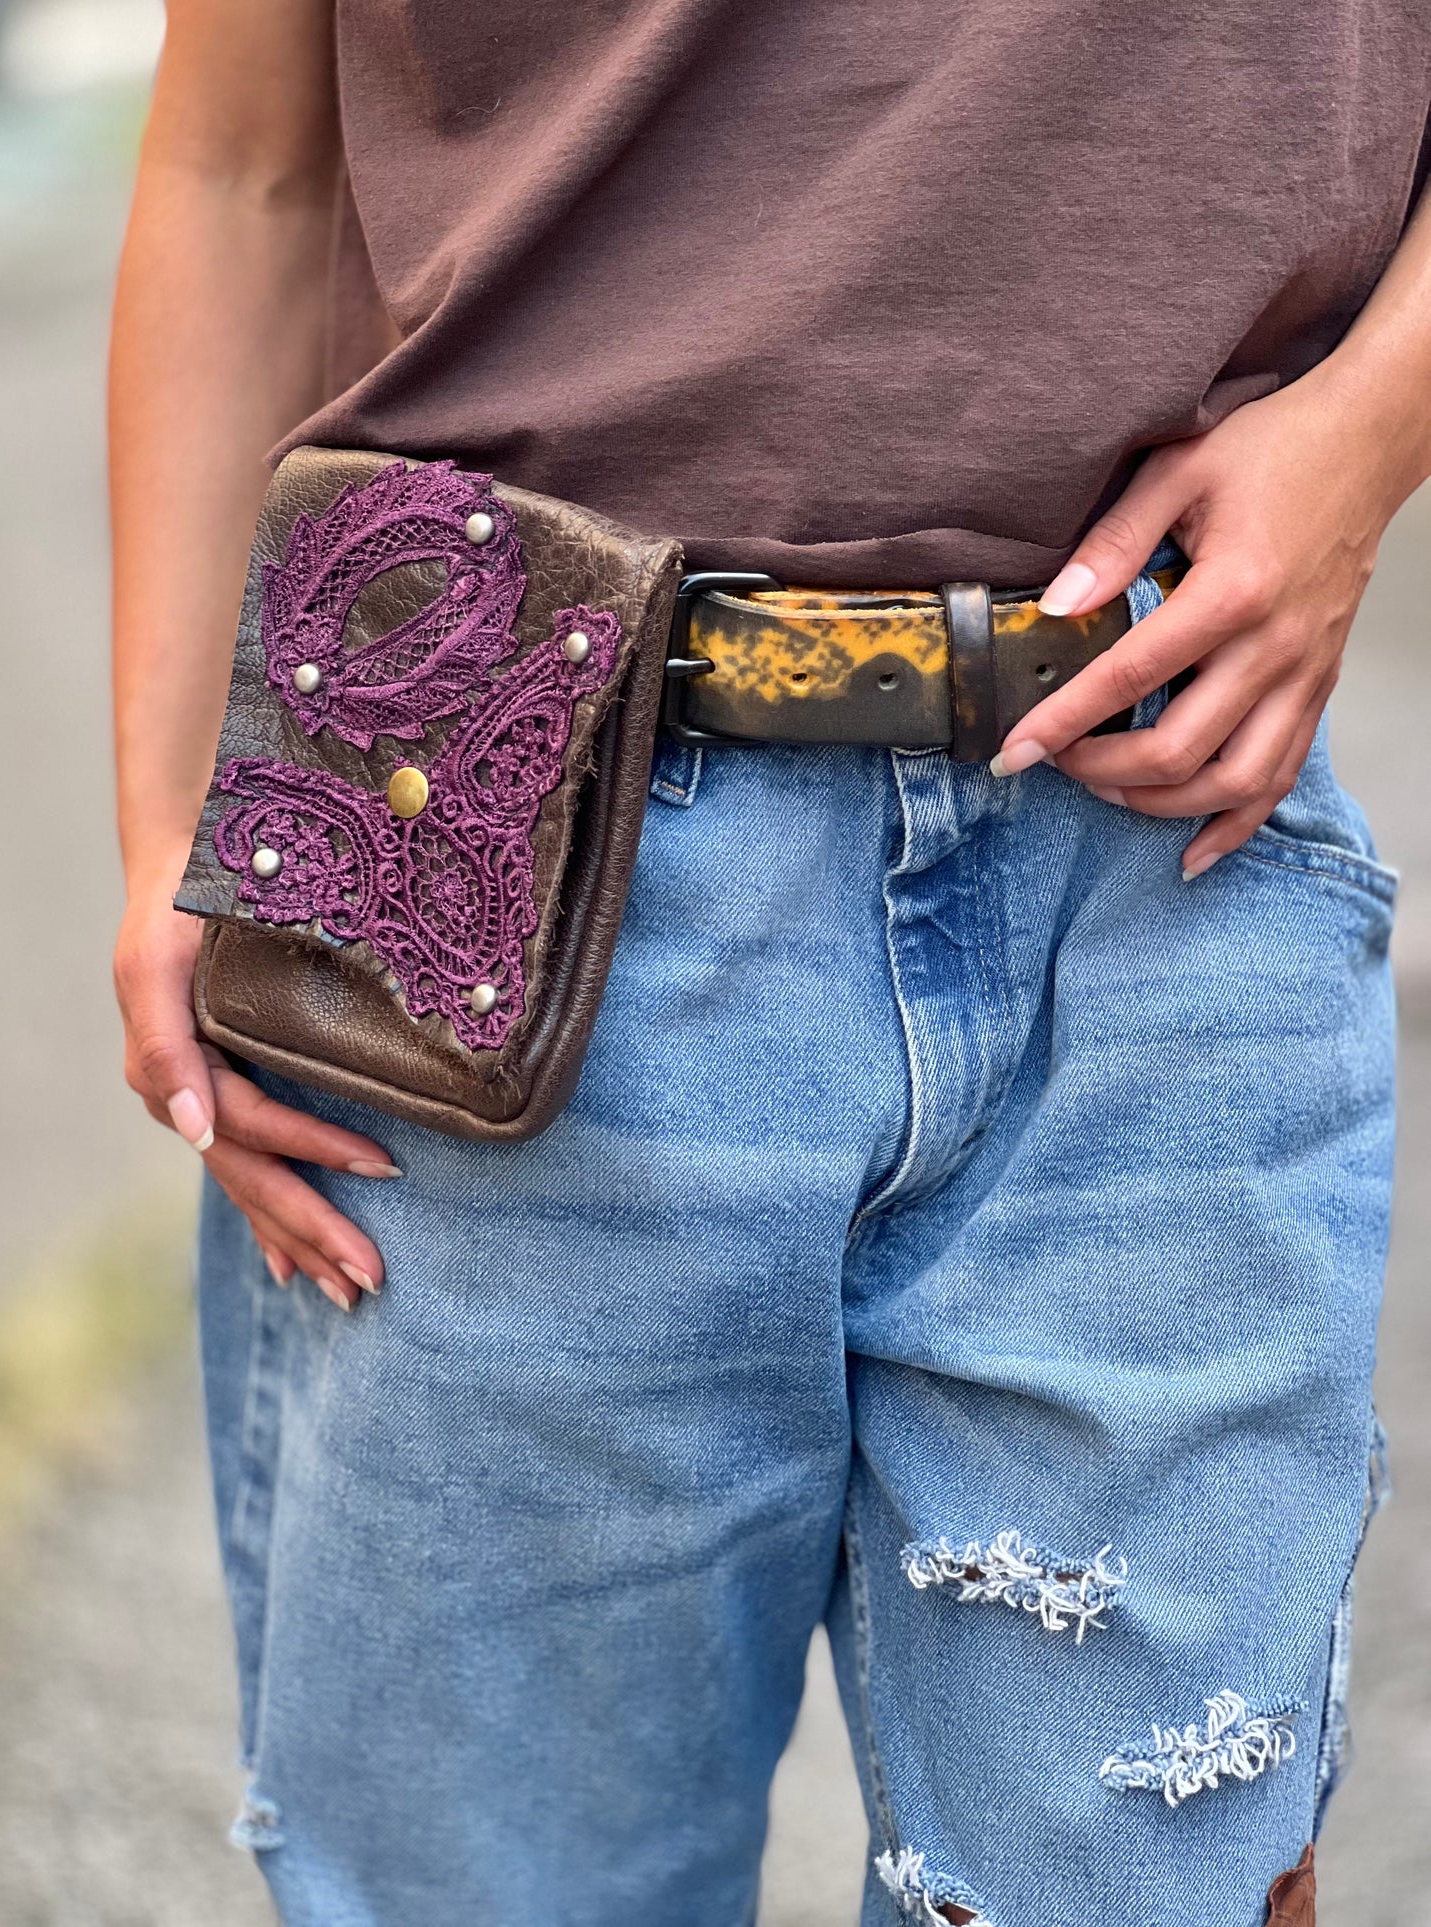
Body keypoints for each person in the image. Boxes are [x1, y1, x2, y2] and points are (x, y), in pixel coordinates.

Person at [109, 2, 1429, 1921]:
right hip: (477, 831)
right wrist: (171, 829)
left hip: (1158, 851)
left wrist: (1375, 416)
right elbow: (242, 158)